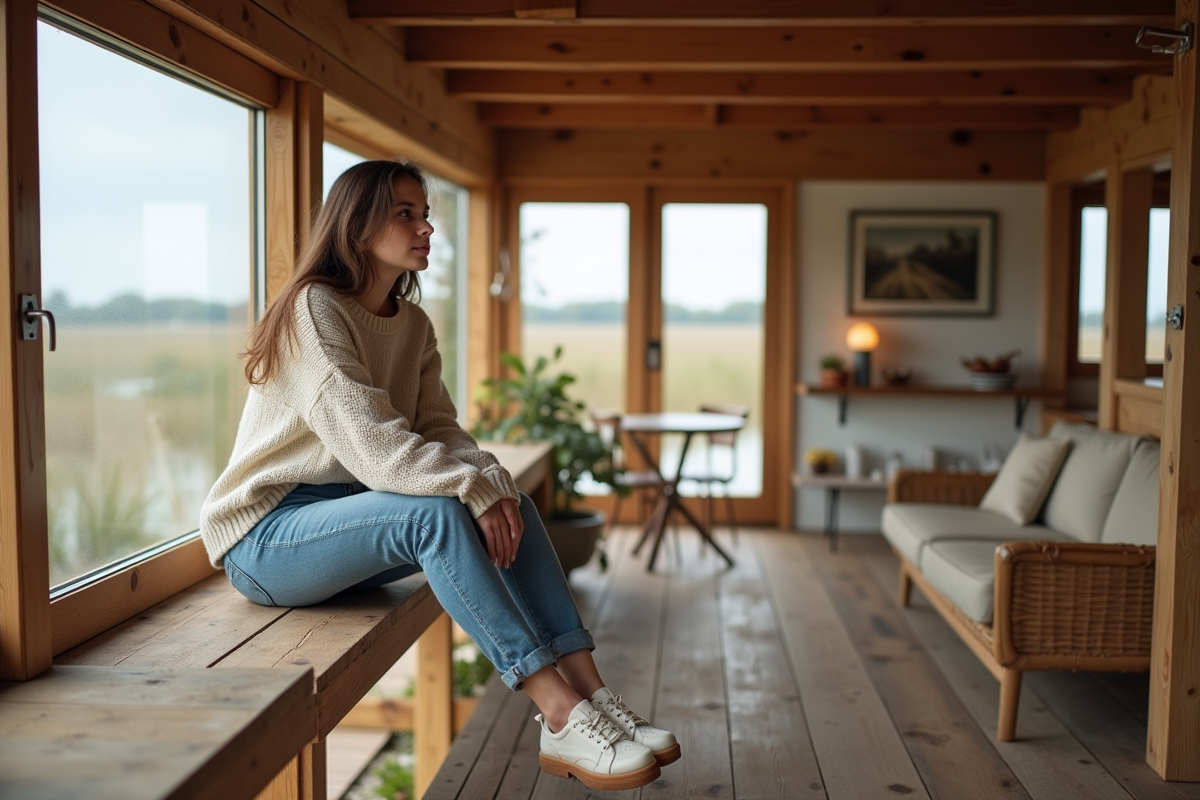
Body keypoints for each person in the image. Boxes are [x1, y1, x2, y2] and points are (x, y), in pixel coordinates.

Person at [200, 160, 679, 791]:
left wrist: (489, 480)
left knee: (513, 503)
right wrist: (469, 487)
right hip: (270, 537)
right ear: (357, 225)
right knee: (438, 512)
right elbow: (373, 444)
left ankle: (593, 695)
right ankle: (559, 714)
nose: (426, 227)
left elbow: (438, 429)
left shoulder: (413, 325)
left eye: (425, 213)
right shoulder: (315, 310)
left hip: (354, 519)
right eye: (406, 214)